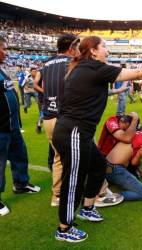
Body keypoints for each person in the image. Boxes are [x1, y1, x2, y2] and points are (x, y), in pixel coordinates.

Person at [52, 36, 142, 243]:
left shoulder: (85, 68)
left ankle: (87, 207)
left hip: (77, 132)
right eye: (104, 46)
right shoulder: (94, 67)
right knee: (74, 179)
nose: (107, 50)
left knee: (97, 167)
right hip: (74, 132)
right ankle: (64, 228)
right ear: (93, 51)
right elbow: (138, 73)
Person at [36, 34, 80, 207]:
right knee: (87, 153)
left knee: (58, 158)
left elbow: (40, 84)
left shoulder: (46, 63)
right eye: (77, 46)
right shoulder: (74, 62)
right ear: (71, 48)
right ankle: (98, 194)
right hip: (67, 119)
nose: (79, 50)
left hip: (48, 118)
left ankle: (57, 196)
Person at [0, 36, 40, 217]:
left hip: (12, 125)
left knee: (19, 155)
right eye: (3, 48)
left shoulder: (1, 71)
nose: (6, 52)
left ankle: (21, 184)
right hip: (1, 127)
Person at [106, 119, 142, 201]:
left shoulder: (132, 131)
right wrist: (140, 154)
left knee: (131, 177)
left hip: (105, 167)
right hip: (116, 170)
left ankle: (107, 183)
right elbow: (134, 162)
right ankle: (111, 197)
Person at [96, 113, 139, 207]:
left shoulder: (127, 125)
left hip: (113, 161)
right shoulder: (111, 121)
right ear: (123, 121)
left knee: (134, 176)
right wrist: (135, 119)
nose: (126, 131)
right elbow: (126, 138)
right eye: (125, 128)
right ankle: (103, 187)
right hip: (103, 162)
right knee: (108, 172)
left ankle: (108, 181)